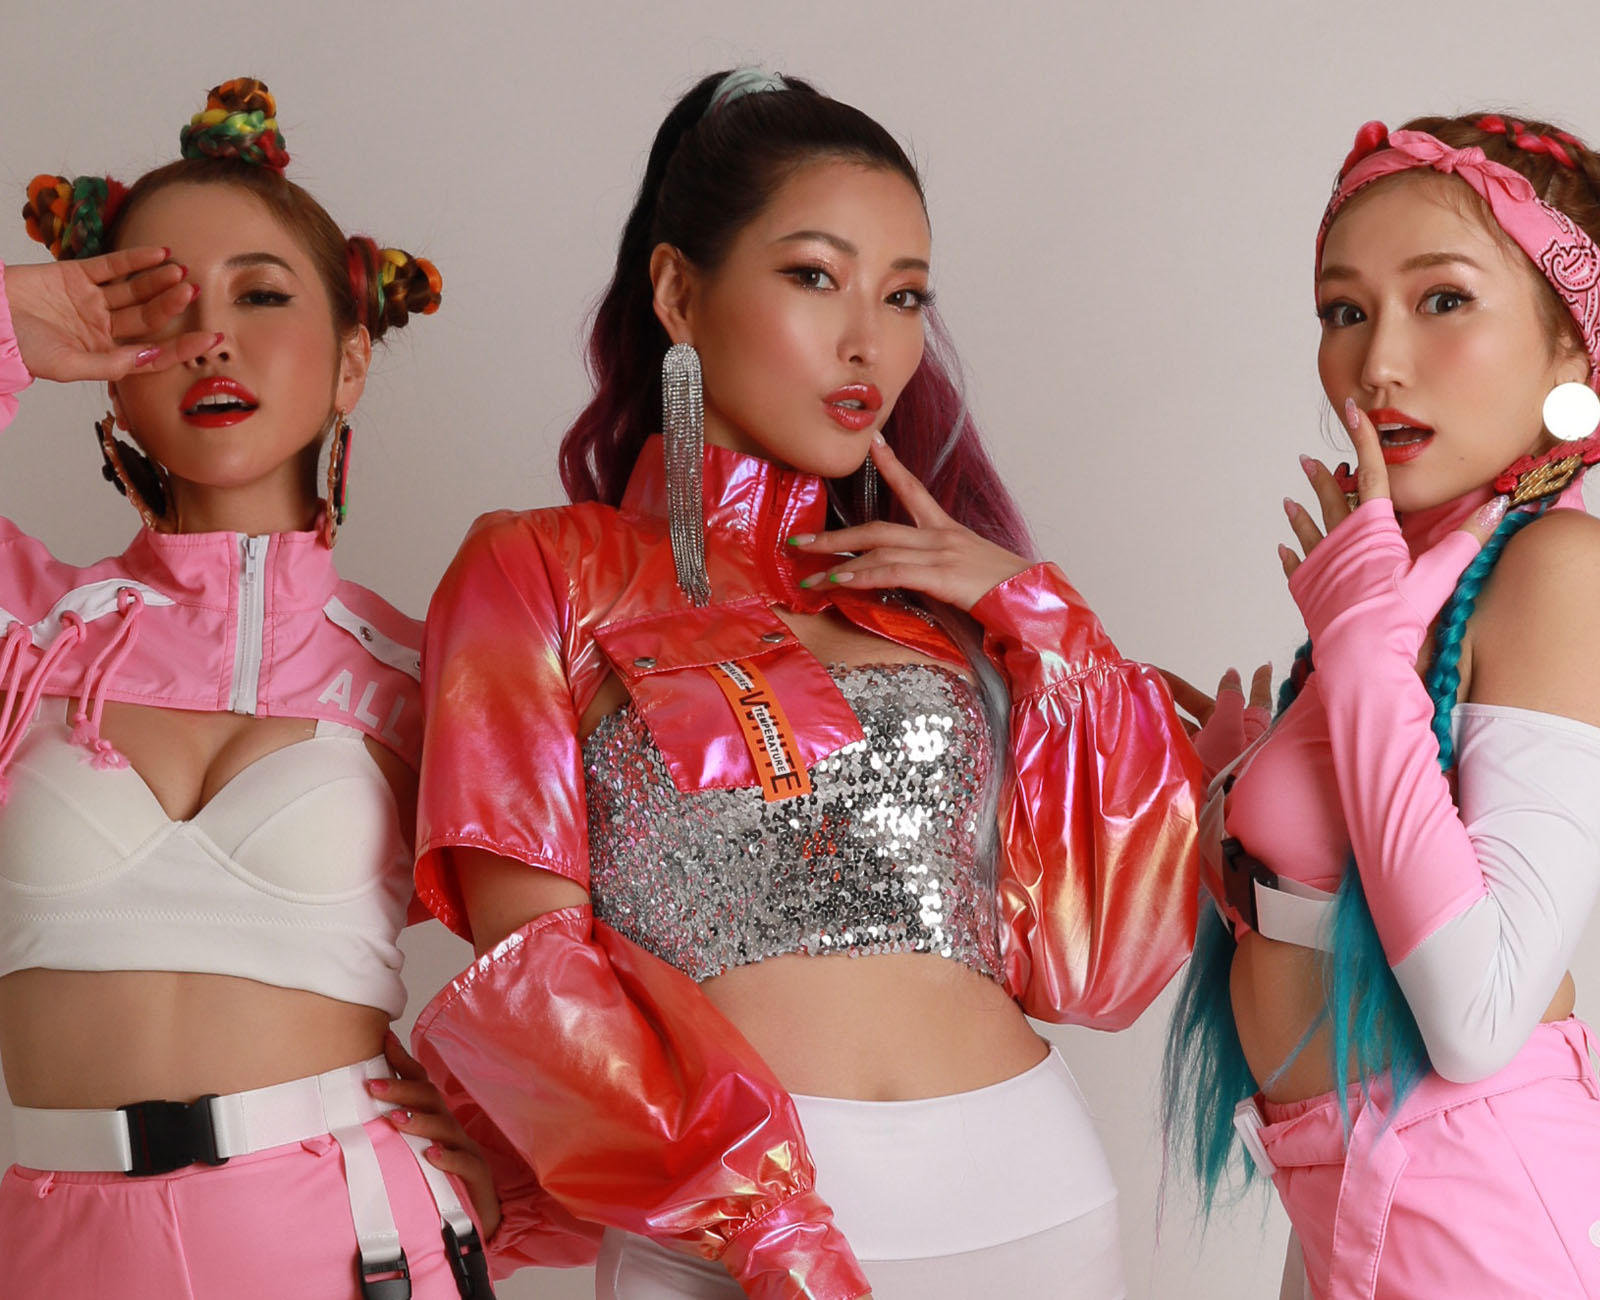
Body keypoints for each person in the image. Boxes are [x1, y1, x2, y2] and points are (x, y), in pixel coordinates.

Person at [409, 68, 1200, 1300]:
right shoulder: (540, 569)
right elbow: (530, 971)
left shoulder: (927, 605)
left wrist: (1037, 611)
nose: (868, 341)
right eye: (815, 276)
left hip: (1029, 1197)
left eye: (904, 294)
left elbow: (1107, 962)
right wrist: (763, 1227)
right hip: (734, 1232)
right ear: (678, 292)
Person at [0, 78, 510, 1298]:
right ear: (110, 372)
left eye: (262, 295)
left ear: (351, 361)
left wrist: (528, 1164)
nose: (212, 339)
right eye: (165, 306)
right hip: (53, 1246)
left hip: (356, 1243)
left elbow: (592, 945)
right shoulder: (28, 636)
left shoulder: (432, 671)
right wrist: (12, 327)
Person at [1162, 112, 1600, 1298]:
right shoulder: (1411, 581)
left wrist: (1359, 659)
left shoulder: (1556, 570)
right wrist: (1232, 799)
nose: (1375, 364)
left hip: (1487, 1224)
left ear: (1573, 351)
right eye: (1343, 310)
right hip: (1351, 1208)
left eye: (1441, 299)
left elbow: (1478, 1016)